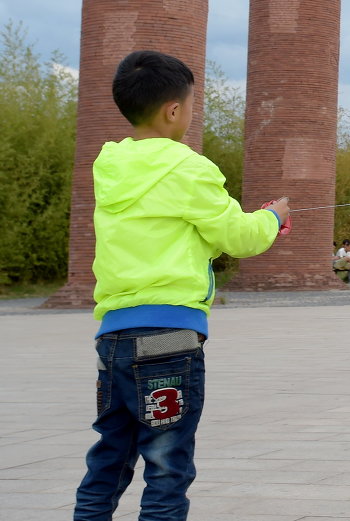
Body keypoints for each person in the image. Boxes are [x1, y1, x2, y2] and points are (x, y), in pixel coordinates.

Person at [74, 51, 288, 521]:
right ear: (174, 110)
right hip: (171, 337)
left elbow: (166, 235)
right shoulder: (189, 168)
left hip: (112, 338)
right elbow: (241, 236)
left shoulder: (108, 167)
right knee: (167, 466)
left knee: (108, 459)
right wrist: (274, 216)